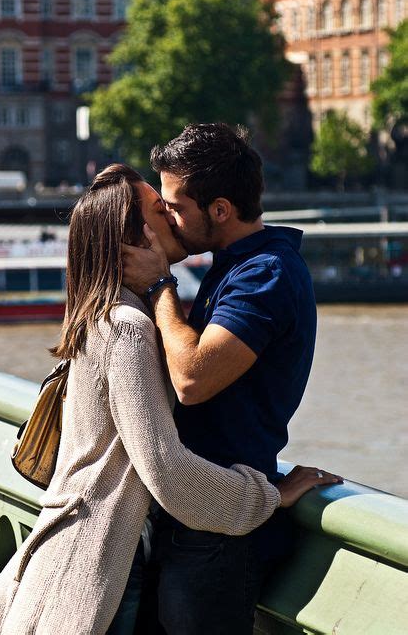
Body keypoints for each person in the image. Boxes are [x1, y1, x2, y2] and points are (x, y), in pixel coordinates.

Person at [0, 164, 340, 635]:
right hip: (101, 564)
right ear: (136, 237)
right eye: (160, 210)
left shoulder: (100, 312)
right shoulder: (128, 329)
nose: (173, 217)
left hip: (86, 548)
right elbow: (165, 470)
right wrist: (269, 495)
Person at [122, 123, 323, 635]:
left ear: (220, 210)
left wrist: (160, 285)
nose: (167, 217)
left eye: (175, 207)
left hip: (220, 529)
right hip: (196, 513)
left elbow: (192, 379)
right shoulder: (232, 265)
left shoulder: (265, 275)